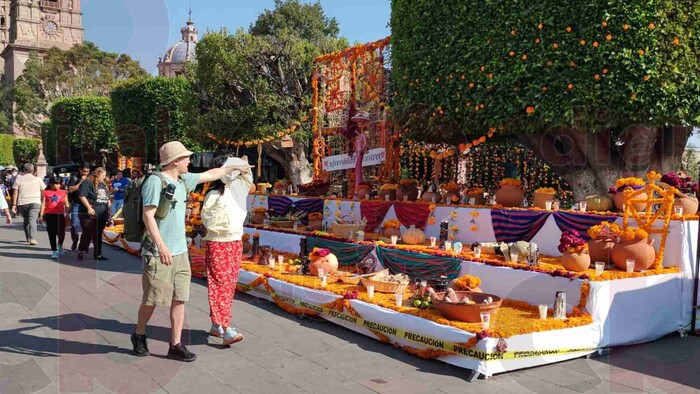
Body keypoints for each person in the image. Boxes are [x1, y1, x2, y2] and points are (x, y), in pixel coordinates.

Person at [131, 141, 253, 362]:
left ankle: (175, 345)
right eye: (186, 158)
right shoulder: (154, 182)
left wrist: (235, 167)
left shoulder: (183, 180)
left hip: (179, 252)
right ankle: (139, 334)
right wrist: (161, 246)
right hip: (159, 252)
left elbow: (212, 173)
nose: (190, 161)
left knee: (180, 299)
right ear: (175, 161)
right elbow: (148, 216)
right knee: (152, 299)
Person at [200, 155, 253, 345]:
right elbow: (208, 219)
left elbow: (249, 180)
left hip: (234, 241)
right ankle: (226, 327)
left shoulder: (239, 190)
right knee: (219, 284)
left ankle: (217, 324)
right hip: (218, 242)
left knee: (229, 285)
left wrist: (243, 165)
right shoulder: (213, 194)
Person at [77, 167, 111, 261]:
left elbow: (107, 198)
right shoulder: (87, 183)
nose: (104, 177)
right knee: (88, 232)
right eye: (103, 175)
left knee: (98, 234)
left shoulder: (103, 185)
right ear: (97, 174)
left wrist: (109, 209)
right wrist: (88, 207)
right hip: (88, 214)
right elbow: (82, 196)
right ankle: (81, 249)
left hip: (101, 213)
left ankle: (98, 254)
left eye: (105, 176)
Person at [11, 163, 45, 245]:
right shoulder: (38, 179)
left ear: (24, 170)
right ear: (33, 170)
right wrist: (43, 202)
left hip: (23, 203)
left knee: (26, 220)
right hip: (35, 202)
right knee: (33, 220)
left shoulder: (19, 179)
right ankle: (33, 238)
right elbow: (43, 192)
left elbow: (15, 193)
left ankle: (28, 237)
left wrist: (14, 204)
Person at [40, 176, 70, 259]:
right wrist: (41, 215)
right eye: (56, 184)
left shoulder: (63, 192)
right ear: (51, 184)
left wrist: (67, 212)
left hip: (60, 215)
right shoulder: (46, 192)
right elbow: (43, 204)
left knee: (61, 233)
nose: (58, 185)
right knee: (51, 233)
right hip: (49, 215)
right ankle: (54, 251)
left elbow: (66, 203)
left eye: (59, 184)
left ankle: (60, 245)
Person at [66, 164, 91, 250]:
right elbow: (70, 190)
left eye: (87, 171)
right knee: (74, 224)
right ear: (80, 170)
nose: (85, 173)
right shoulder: (74, 178)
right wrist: (81, 182)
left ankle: (85, 245)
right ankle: (75, 240)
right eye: (84, 171)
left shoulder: (90, 178)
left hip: (87, 204)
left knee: (87, 226)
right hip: (76, 204)